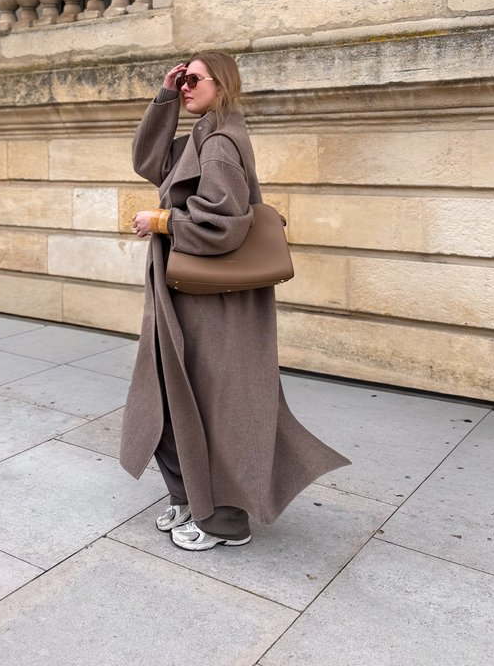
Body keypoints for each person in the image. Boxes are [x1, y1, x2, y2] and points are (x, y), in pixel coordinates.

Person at [120, 52, 350, 551]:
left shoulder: (220, 142)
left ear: (221, 83)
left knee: (215, 404)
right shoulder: (205, 133)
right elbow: (151, 163)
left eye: (193, 80)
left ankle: (225, 522)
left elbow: (223, 226)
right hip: (193, 297)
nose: (185, 88)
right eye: (182, 81)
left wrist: (161, 222)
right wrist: (164, 97)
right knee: (172, 395)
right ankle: (192, 497)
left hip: (213, 302)